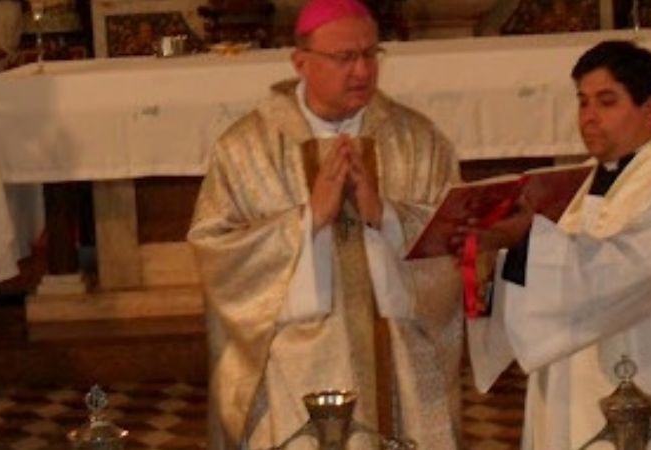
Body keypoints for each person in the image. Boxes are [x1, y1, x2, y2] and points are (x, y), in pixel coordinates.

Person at [187, 1, 463, 449]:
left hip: (400, 364)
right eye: (344, 58)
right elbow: (215, 250)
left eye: (371, 55)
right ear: (301, 63)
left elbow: (459, 240)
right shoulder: (246, 147)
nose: (361, 71)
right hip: (296, 365)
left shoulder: (417, 139)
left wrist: (385, 216)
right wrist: (307, 221)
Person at [458, 40, 651, 450]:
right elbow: (546, 272)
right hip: (570, 378)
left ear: (650, 108)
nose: (588, 117)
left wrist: (530, 239)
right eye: (582, 102)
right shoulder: (575, 182)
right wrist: (494, 248)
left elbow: (636, 267)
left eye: (606, 102)